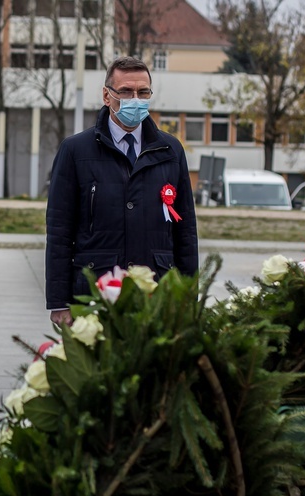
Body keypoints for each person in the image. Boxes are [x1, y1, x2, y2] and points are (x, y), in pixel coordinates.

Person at [46, 56, 198, 327]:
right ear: (107, 95)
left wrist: (188, 297)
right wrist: (60, 301)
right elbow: (59, 231)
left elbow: (185, 231)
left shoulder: (170, 151)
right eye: (126, 91)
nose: (135, 99)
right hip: (94, 292)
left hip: (156, 291)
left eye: (143, 92)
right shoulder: (76, 151)